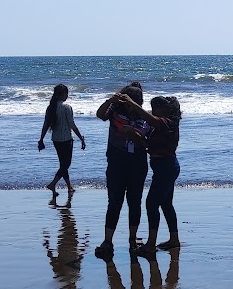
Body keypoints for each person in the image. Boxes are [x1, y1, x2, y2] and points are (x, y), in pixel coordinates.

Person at [93, 83, 151, 260]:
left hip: (137, 164)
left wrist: (134, 135)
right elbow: (99, 114)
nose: (129, 107)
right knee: (114, 202)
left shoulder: (146, 117)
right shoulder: (115, 113)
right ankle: (108, 241)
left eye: (133, 103)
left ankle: (132, 240)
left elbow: (146, 143)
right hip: (116, 163)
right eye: (127, 103)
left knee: (135, 203)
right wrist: (111, 99)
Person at [138, 95, 182, 254]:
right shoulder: (163, 125)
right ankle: (174, 239)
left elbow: (151, 119)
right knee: (166, 204)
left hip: (166, 167)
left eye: (155, 108)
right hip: (165, 167)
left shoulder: (167, 123)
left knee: (151, 204)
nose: (153, 111)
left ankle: (151, 244)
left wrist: (131, 104)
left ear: (164, 110)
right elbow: (150, 146)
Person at [38, 84, 86, 196]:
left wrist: (41, 139)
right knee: (66, 164)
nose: (67, 95)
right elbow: (72, 124)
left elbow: (45, 125)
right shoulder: (67, 107)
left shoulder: (51, 108)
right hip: (66, 139)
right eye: (66, 93)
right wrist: (81, 138)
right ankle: (53, 184)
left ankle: (69, 186)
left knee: (63, 164)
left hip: (56, 139)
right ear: (61, 94)